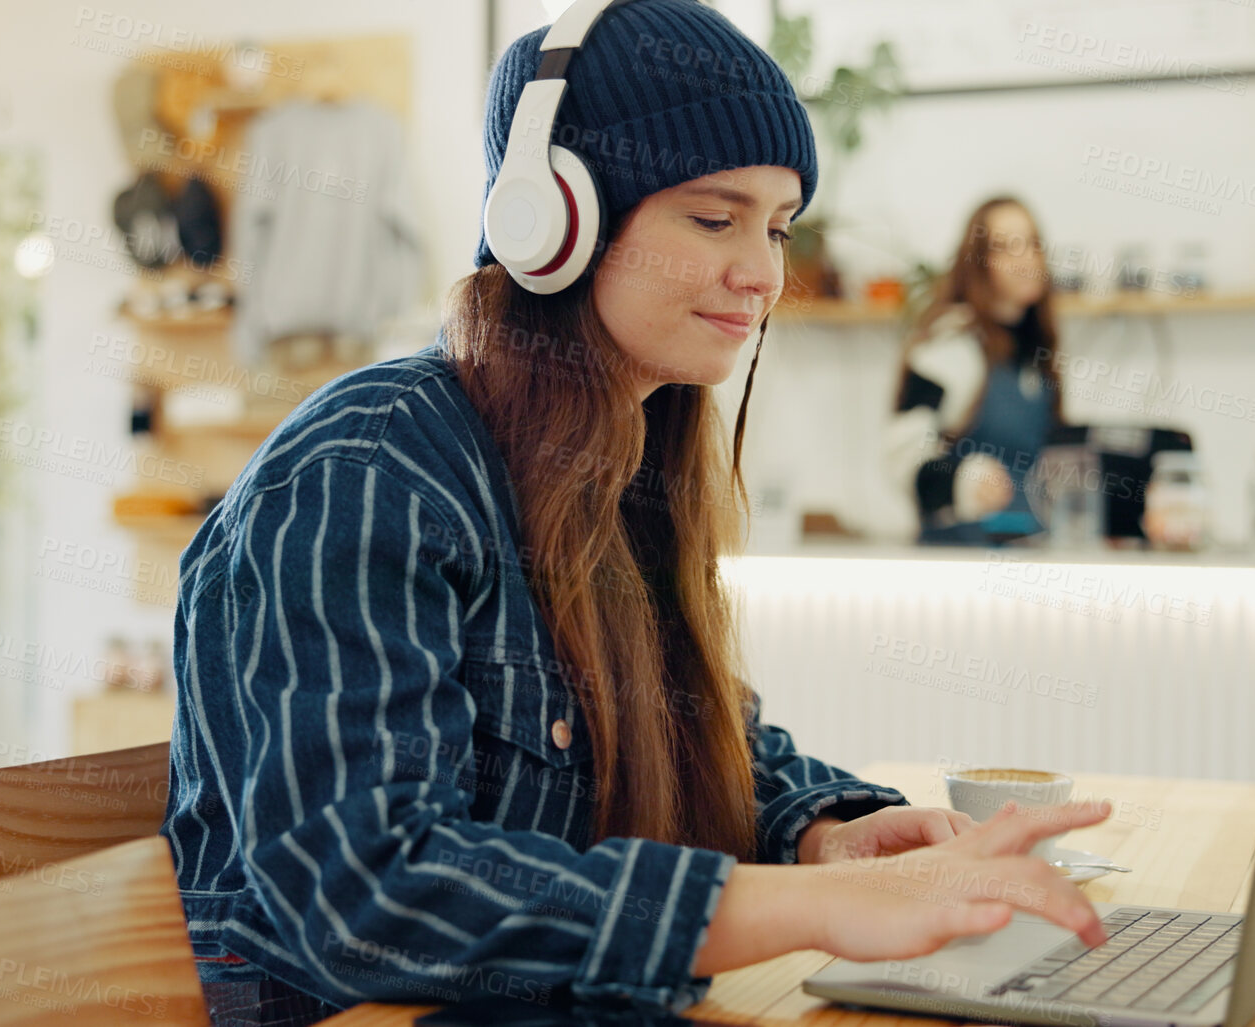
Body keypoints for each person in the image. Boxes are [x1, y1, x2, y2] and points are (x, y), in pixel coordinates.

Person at [160, 4, 1108, 1024]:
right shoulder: (368, 466)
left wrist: (820, 832)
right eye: (716, 218)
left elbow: (693, 729)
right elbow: (369, 890)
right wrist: (815, 904)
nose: (764, 275)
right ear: (554, 218)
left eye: (778, 227)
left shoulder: (625, 462)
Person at [884, 197, 1066, 545]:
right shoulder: (950, 345)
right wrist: (962, 482)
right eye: (1005, 248)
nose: (1025, 258)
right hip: (959, 561)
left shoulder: (1036, 353)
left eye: (1032, 243)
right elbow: (901, 458)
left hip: (1027, 557)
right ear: (979, 263)